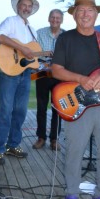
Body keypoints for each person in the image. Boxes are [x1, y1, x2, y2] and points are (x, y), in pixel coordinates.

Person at [51, 0, 100, 199]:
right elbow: (56, 70)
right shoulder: (65, 39)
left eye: (89, 10)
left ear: (96, 14)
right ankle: (71, 193)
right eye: (80, 10)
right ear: (74, 15)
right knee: (73, 151)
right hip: (76, 104)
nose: (85, 14)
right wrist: (81, 79)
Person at [0, 0, 40, 165]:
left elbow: (31, 58)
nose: (26, 8)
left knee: (20, 111)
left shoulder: (32, 31)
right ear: (18, 6)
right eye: (24, 5)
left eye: (29, 6)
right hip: (9, 73)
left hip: (25, 74)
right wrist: (22, 48)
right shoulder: (11, 21)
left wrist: (39, 62)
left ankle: (13, 145)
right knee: (5, 111)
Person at [33, 9, 65, 151]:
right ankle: (41, 137)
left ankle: (54, 139)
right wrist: (45, 56)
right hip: (42, 74)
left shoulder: (66, 36)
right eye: (52, 17)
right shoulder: (39, 33)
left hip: (59, 75)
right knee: (41, 107)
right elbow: (32, 53)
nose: (55, 20)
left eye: (58, 18)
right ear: (48, 18)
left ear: (61, 20)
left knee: (58, 108)